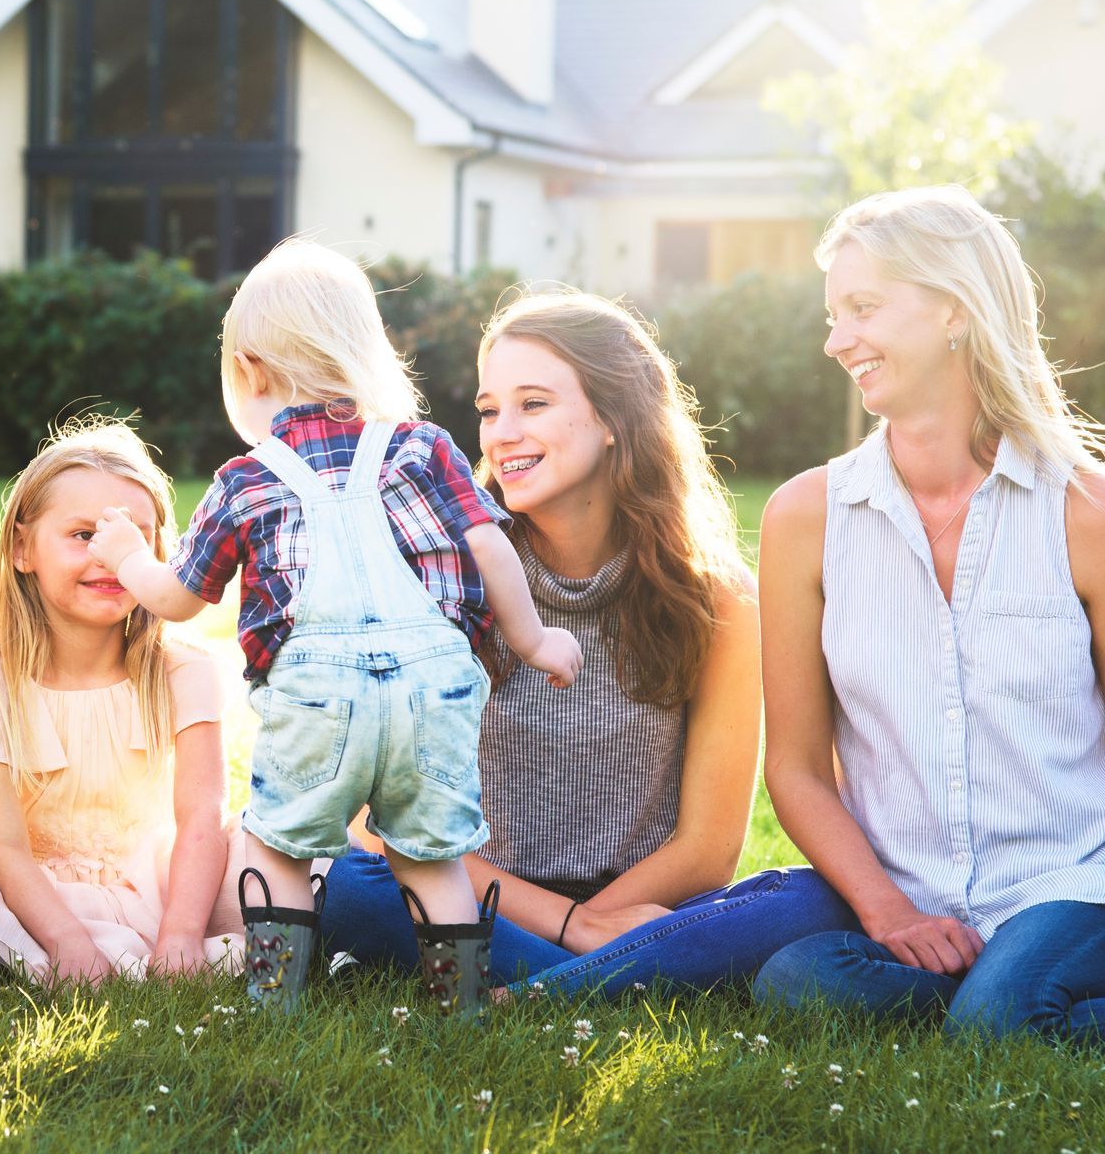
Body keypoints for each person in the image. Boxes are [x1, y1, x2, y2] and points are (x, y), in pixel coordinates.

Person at [89, 238, 581, 1015]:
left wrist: (125, 555)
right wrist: (535, 639)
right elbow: (489, 543)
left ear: (249, 369)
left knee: (280, 845)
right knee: (432, 857)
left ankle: (273, 1001)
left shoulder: (245, 478)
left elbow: (181, 597)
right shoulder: (424, 446)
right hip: (434, 694)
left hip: (317, 697)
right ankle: (459, 1003)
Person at [318, 290, 852, 996]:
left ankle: (543, 986)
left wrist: (599, 920)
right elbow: (388, 827)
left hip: (640, 906)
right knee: (348, 877)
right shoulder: (439, 574)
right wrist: (571, 926)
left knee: (813, 897)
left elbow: (708, 849)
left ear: (613, 418)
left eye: (532, 404)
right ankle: (607, 979)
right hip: (467, 894)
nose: (500, 432)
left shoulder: (721, 600)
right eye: (488, 409)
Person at [754, 186, 1105, 1043]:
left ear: (954, 307)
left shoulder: (1083, 509)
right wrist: (888, 911)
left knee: (996, 1024)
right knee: (798, 982)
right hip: (908, 891)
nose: (838, 341)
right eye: (834, 315)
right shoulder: (806, 516)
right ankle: (1005, 991)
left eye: (863, 308)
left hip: (1069, 883)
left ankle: (1006, 992)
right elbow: (795, 768)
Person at [0, 420, 241, 983]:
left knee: (273, 844)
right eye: (84, 535)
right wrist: (66, 939)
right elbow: (5, 851)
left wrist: (182, 934)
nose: (109, 558)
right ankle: (72, 958)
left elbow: (200, 823)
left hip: (172, 887)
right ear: (23, 548)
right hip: (42, 901)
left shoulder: (183, 672)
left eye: (131, 539)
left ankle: (172, 954)